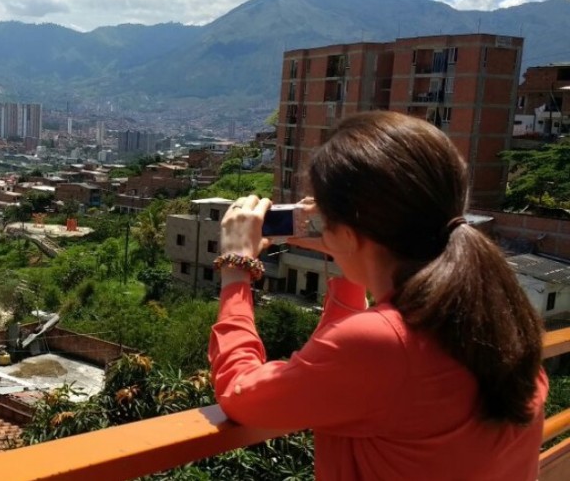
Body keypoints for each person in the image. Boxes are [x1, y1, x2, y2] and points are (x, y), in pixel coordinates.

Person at [209, 111, 548, 480]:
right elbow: (353, 376)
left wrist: (236, 269)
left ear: (349, 232)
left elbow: (241, 394)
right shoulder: (499, 318)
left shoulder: (384, 345)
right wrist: (348, 255)